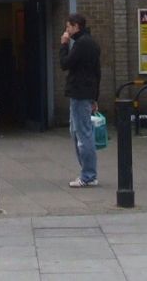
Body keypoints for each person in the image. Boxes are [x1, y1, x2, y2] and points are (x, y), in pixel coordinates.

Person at [60, 13, 100, 187]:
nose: (67, 30)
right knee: (77, 132)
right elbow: (97, 72)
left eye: (68, 26)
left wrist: (64, 44)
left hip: (79, 93)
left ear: (76, 26)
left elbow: (65, 64)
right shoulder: (91, 43)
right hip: (86, 92)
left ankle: (88, 175)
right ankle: (87, 172)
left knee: (82, 135)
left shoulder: (81, 44)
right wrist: (95, 97)